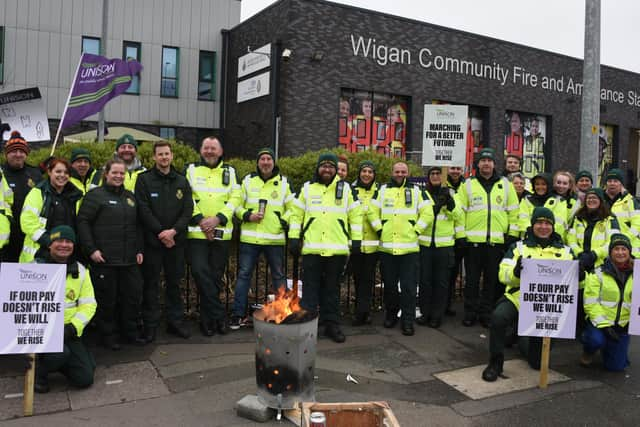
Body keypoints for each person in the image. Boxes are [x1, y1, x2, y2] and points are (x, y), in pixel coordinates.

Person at [482, 207, 575, 382]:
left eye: (547, 223)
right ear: (532, 225)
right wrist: (516, 273)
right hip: (518, 298)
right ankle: (495, 363)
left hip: (545, 305)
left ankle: (522, 336)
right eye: (539, 222)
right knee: (498, 318)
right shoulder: (517, 247)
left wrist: (581, 276)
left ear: (553, 226)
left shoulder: (566, 251)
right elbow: (503, 274)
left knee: (537, 363)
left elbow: (575, 284)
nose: (543, 227)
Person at [289, 152, 362, 343]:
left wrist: (356, 241)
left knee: (332, 291)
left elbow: (356, 216)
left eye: (331, 166)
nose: (327, 169)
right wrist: (294, 238)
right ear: (318, 168)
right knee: (310, 291)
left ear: (336, 170)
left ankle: (332, 325)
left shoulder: (346, 189)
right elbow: (296, 215)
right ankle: (308, 328)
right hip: (312, 250)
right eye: (324, 166)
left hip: (336, 250)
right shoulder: (306, 188)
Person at [77, 159, 145, 350]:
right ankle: (108, 336)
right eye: (114, 172)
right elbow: (83, 223)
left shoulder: (130, 197)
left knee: (131, 298)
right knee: (107, 301)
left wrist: (139, 248)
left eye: (122, 173)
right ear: (106, 174)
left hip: (129, 260)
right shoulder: (94, 196)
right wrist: (91, 250)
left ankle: (130, 333)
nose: (118, 176)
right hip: (105, 259)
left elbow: (137, 226)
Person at [230, 148, 295, 329]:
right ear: (258, 162)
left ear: (274, 162)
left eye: (269, 159)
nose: (265, 162)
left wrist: (284, 220)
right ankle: (238, 314)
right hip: (250, 239)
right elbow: (236, 206)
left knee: (279, 277)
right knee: (243, 276)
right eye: (262, 159)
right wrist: (247, 215)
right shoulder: (248, 181)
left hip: (274, 239)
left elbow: (293, 208)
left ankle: (282, 314)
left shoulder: (284, 182)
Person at [135, 141, 193, 342]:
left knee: (174, 284)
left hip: (175, 243)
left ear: (172, 156)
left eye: (167, 154)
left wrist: (173, 232)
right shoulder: (143, 180)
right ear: (153, 157)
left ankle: (174, 323)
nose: (164, 157)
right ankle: (149, 326)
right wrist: (161, 233)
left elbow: (188, 211)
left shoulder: (182, 181)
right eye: (160, 154)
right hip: (153, 243)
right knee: (150, 285)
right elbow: (143, 209)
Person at [457, 148, 520, 327]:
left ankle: (486, 313)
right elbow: (459, 211)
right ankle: (470, 312)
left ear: (494, 164)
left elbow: (514, 211)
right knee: (472, 281)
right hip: (473, 242)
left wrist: (512, 235)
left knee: (491, 281)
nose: (486, 163)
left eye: (489, 160)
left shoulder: (505, 185)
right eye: (483, 160)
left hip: (496, 242)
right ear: (478, 164)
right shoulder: (468, 184)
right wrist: (461, 235)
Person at [185, 137, 242, 337]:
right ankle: (219, 315)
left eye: (213, 148)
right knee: (201, 273)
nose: (209, 151)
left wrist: (218, 219)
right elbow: (187, 197)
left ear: (220, 151)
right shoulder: (191, 170)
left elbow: (236, 197)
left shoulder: (230, 171)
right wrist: (201, 220)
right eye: (206, 148)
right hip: (197, 233)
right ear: (201, 150)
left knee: (215, 278)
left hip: (221, 233)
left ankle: (208, 321)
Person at [369, 161, 433, 336]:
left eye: (403, 171)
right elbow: (371, 211)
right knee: (389, 286)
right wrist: (379, 229)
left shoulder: (418, 191)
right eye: (397, 171)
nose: (400, 174)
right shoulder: (382, 190)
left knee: (409, 287)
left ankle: (407, 320)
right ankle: (391, 315)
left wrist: (417, 229)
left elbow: (428, 212)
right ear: (392, 172)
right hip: (387, 249)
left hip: (409, 250)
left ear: (408, 172)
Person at [34, 225, 96, 393]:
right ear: (50, 245)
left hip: (68, 331)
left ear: (73, 246)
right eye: (59, 241)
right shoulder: (34, 269)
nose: (64, 245)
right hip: (41, 333)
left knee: (85, 378)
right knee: (59, 354)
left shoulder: (81, 271)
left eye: (68, 241)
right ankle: (39, 372)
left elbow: (89, 304)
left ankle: (63, 359)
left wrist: (72, 328)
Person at [416, 166, 462, 328]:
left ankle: (437, 315)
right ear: (428, 177)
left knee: (441, 283)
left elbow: (458, 216)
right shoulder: (421, 194)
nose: (435, 176)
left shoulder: (452, 193)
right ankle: (425, 313)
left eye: (438, 173)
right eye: (432, 174)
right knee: (425, 281)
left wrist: (450, 205)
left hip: (444, 245)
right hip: (425, 244)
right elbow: (418, 216)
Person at [581, 233, 634, 371]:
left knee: (616, 367)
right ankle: (589, 350)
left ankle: (610, 348)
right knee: (595, 340)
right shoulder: (597, 273)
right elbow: (590, 304)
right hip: (600, 324)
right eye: (616, 249)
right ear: (610, 252)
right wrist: (605, 326)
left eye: (624, 249)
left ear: (630, 252)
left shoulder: (638, 274)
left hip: (622, 325)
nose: (620, 252)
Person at [19, 159, 83, 263]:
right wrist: (49, 241)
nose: (62, 175)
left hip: (67, 253)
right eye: (58, 171)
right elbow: (28, 222)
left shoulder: (75, 196)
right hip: (40, 253)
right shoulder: (37, 193)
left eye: (66, 172)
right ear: (49, 172)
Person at [1, 130, 43, 261]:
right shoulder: (1, 173)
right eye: (14, 151)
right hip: (6, 234)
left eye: (22, 151)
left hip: (28, 234)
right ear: (6, 154)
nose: (18, 155)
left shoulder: (35, 174)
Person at [350, 160, 379, 326]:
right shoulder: (352, 191)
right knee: (357, 279)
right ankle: (359, 311)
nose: (367, 174)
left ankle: (364, 312)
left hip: (373, 245)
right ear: (359, 173)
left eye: (370, 171)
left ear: (374, 175)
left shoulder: (380, 192)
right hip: (356, 244)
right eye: (364, 171)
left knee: (368, 280)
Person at [567, 188, 621, 272]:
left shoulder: (610, 219)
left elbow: (612, 242)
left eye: (594, 198)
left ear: (601, 200)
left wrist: (594, 254)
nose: (591, 200)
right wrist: (579, 253)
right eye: (589, 198)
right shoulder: (578, 217)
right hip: (579, 262)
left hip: (602, 264)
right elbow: (571, 240)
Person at [518, 173, 568, 239]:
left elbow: (559, 223)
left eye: (543, 184)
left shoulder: (559, 201)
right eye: (537, 184)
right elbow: (523, 220)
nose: (540, 187)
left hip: (551, 241)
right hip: (529, 240)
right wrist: (533, 235)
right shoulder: (526, 199)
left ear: (549, 185)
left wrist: (545, 236)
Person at [603, 168, 640, 256]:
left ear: (621, 184)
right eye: (609, 181)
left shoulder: (631, 201)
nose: (612, 183)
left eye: (615, 181)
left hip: (628, 249)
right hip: (604, 249)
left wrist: (623, 239)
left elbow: (637, 224)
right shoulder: (599, 199)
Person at [446, 165, 466, 317]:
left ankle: (449, 304)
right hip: (445, 237)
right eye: (452, 168)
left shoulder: (467, 186)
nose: (455, 171)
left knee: (453, 274)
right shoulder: (441, 185)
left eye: (458, 169)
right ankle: (443, 304)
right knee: (444, 274)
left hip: (463, 237)